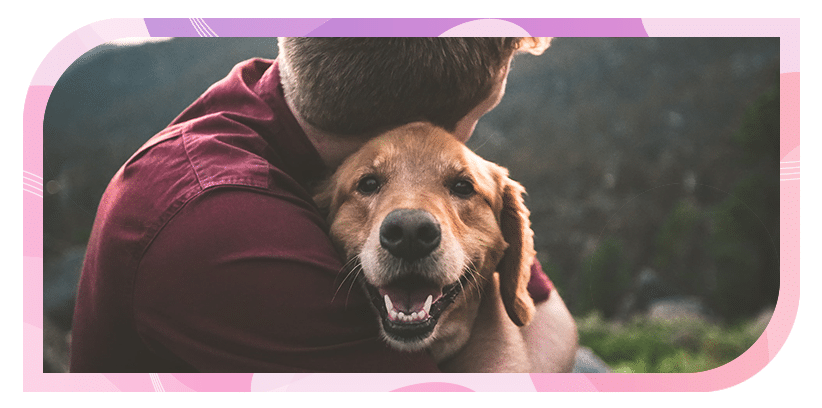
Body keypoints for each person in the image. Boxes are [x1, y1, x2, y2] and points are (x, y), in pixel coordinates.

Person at [70, 37, 578, 373]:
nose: (411, 217)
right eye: (485, 108)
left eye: (459, 183)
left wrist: (488, 274)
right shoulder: (223, 228)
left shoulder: (297, 101)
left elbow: (551, 316)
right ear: (418, 125)